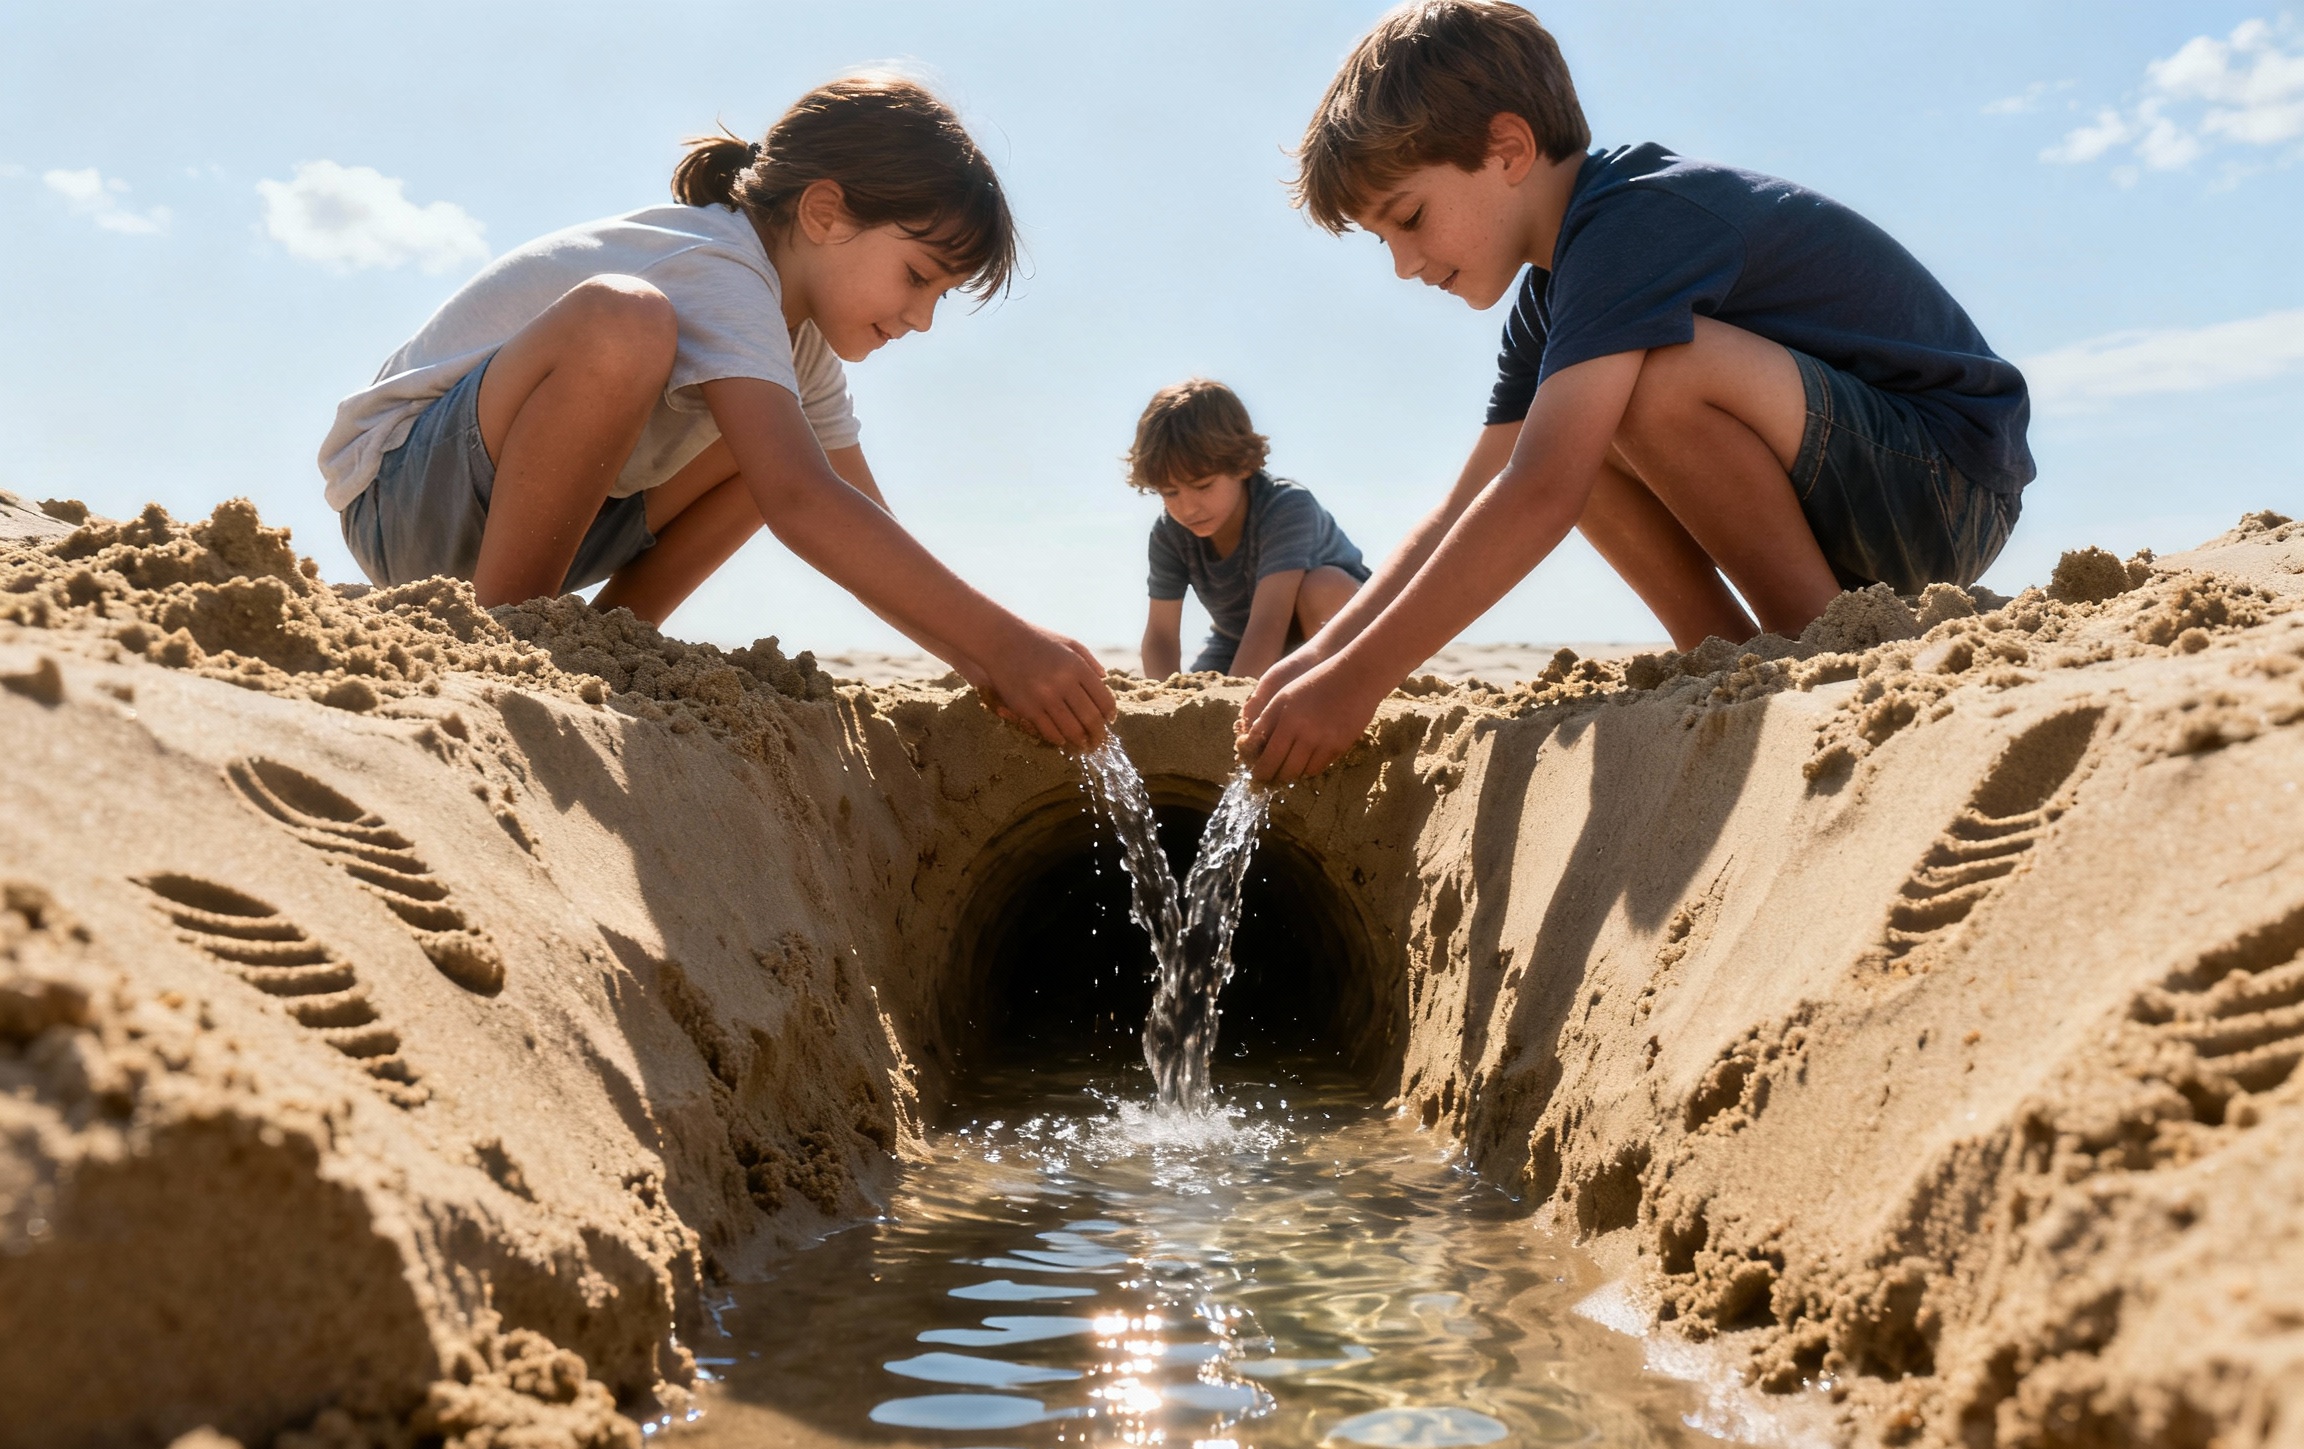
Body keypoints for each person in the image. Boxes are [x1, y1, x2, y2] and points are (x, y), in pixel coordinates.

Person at [1239, 0, 2032, 780]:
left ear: (1508, 148)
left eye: (1409, 218)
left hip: (1944, 481)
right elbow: (1465, 504)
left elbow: (1541, 492)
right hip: (1856, 498)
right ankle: (1728, 652)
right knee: (1571, 422)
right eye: (1385, 241)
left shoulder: (1628, 222)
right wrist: (1318, 656)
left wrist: (1355, 687)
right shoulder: (1555, 295)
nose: (1404, 266)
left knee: (1641, 388)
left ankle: (1815, 642)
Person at [318, 75, 1115, 748]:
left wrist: (984, 665)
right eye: (917, 277)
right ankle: (511, 641)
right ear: (825, 213)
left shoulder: (795, 347)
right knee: (625, 320)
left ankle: (605, 636)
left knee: (775, 443)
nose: (922, 320)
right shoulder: (717, 263)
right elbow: (803, 503)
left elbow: (860, 515)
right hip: (405, 495)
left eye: (940, 297)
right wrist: (1005, 643)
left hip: (544, 528)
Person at [1128, 379, 1370, 681]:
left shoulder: (1286, 508)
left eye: (1203, 486)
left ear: (1242, 465)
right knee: (1194, 698)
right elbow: (1161, 636)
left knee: (1323, 585)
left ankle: (1343, 686)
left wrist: (1235, 712)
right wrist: (1164, 703)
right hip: (1238, 641)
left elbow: (1268, 623)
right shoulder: (1170, 532)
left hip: (1342, 635)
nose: (1187, 508)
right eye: (1170, 492)